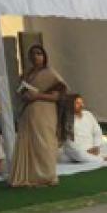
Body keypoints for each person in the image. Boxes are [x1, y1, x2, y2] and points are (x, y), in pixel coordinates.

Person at [9, 44, 66, 187]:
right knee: (30, 143)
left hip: (45, 112)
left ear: (44, 56)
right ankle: (29, 176)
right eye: (33, 54)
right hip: (28, 113)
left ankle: (47, 176)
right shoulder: (26, 75)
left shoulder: (50, 73)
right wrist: (25, 95)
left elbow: (57, 96)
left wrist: (37, 95)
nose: (36, 56)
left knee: (44, 142)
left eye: (39, 53)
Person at [60, 94, 107, 163]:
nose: (81, 105)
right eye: (77, 103)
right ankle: (103, 159)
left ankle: (89, 158)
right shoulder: (66, 119)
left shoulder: (88, 114)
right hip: (77, 150)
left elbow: (97, 132)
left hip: (92, 148)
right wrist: (86, 152)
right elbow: (69, 143)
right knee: (78, 154)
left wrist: (96, 146)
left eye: (81, 103)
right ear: (70, 105)